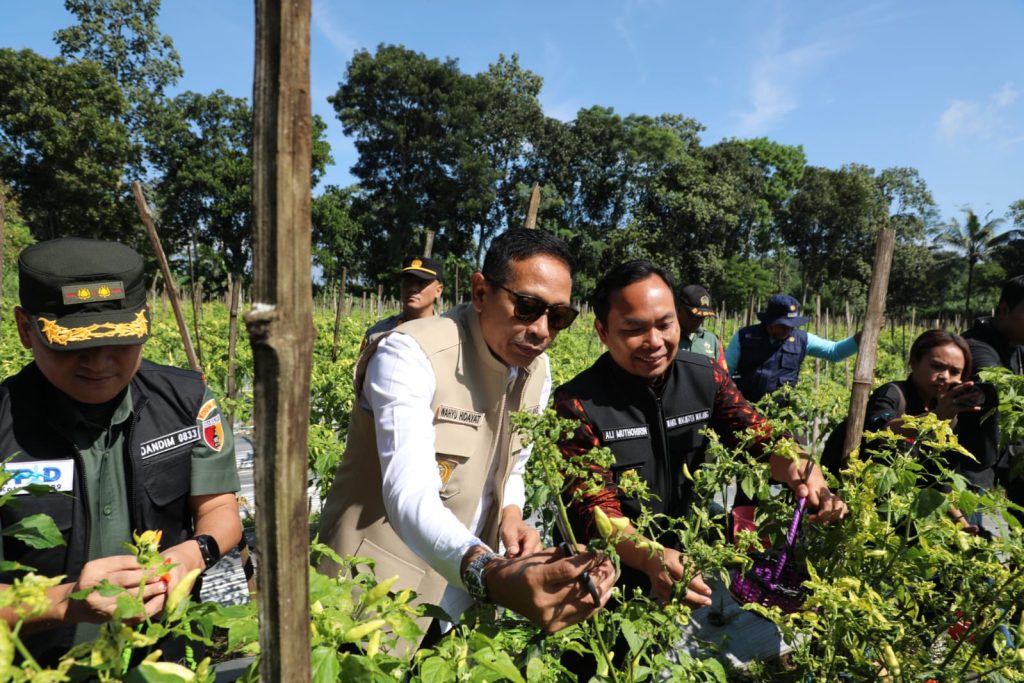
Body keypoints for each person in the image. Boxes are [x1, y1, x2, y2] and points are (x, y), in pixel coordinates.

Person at [318, 229, 615, 647]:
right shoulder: (409, 354)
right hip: (373, 591)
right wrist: (489, 572)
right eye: (528, 307)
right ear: (479, 292)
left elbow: (515, 462)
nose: (542, 330)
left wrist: (511, 513)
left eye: (559, 317)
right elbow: (409, 495)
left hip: (461, 597)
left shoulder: (537, 370)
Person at [0, 238, 242, 665]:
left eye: (120, 341)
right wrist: (63, 602)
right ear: (25, 329)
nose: (99, 362)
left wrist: (195, 552)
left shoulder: (186, 402)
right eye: (73, 345)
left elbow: (219, 505)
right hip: (41, 667)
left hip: (165, 661)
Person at [554, 261, 847, 610]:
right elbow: (595, 510)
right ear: (602, 332)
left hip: (680, 561)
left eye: (665, 324)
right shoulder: (577, 403)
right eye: (634, 329)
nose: (654, 342)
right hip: (604, 576)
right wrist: (651, 558)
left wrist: (802, 466)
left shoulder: (705, 378)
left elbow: (757, 436)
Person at [961, 275, 1024, 513]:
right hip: (970, 464)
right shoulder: (975, 344)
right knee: (970, 537)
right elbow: (999, 386)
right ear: (1005, 309)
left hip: (1009, 458)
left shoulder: (1017, 346)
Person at [726, 293, 860, 403]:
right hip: (745, 411)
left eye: (792, 325)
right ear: (770, 322)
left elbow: (835, 352)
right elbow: (725, 374)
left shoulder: (802, 339)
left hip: (781, 416)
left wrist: (863, 335)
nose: (788, 329)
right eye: (783, 325)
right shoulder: (745, 336)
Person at [360, 255, 445, 350]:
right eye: (408, 282)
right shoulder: (377, 334)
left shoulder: (447, 336)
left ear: (438, 291)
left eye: (421, 282)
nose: (412, 288)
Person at [678, 284, 727, 371]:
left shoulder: (712, 341)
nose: (698, 321)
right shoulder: (668, 338)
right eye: (693, 316)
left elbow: (723, 376)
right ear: (679, 308)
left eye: (702, 317)